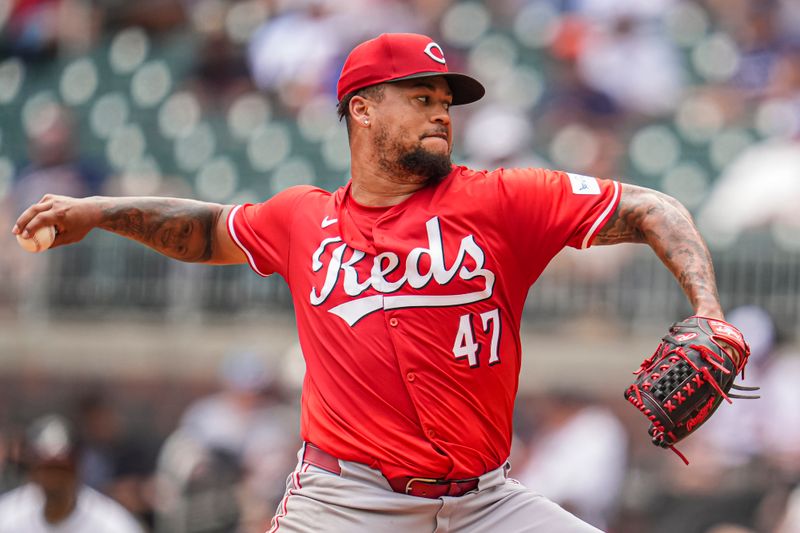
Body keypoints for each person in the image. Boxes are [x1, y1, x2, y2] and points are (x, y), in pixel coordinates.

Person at [12, 33, 742, 532]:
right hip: (344, 501)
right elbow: (205, 227)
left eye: (445, 101)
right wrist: (99, 211)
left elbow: (651, 206)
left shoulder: (501, 199)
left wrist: (707, 308)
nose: (440, 112)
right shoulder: (303, 218)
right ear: (362, 108)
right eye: (420, 96)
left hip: (485, 503)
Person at [0, 414, 144, 533]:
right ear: (33, 470)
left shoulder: (113, 525)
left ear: (78, 468)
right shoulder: (7, 517)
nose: (54, 479)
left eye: (61, 469)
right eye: (47, 469)